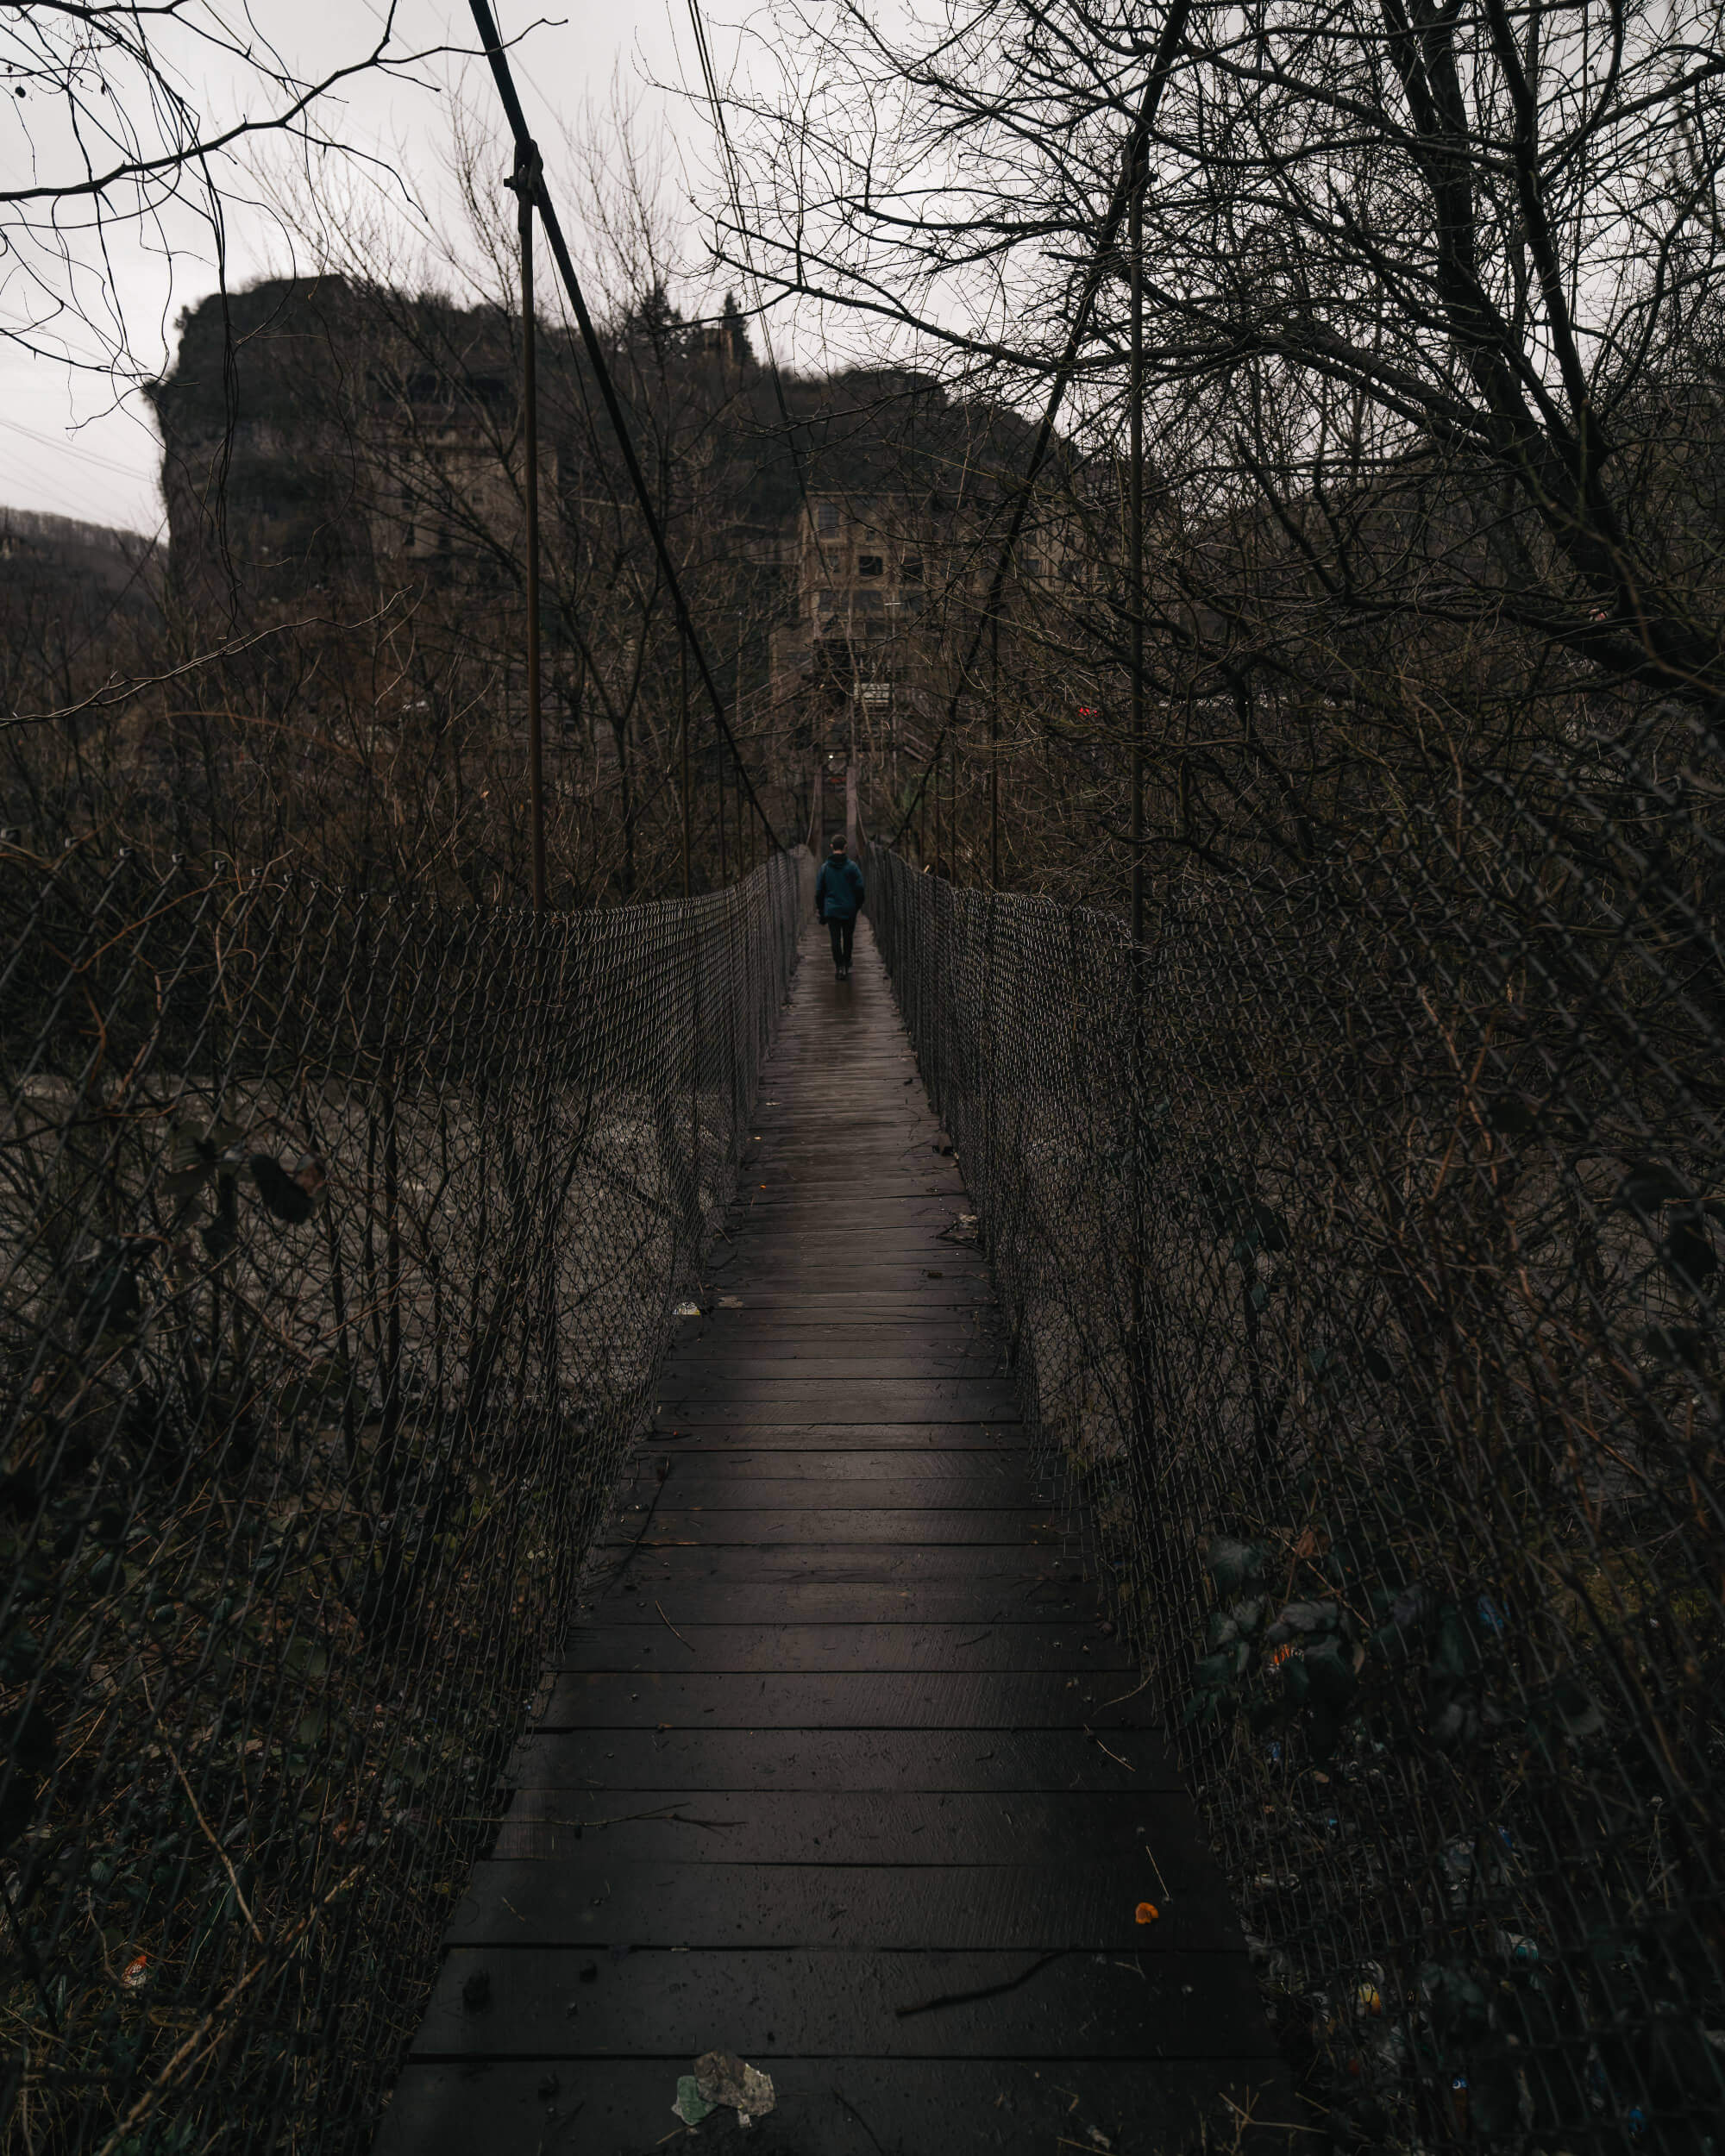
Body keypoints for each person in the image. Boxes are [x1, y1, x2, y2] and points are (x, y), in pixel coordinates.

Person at [815, 833, 865, 979]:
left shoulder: (824, 868)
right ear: (845, 847)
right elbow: (860, 889)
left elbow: (819, 892)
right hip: (849, 909)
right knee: (848, 938)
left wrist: (821, 910)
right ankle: (847, 961)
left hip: (832, 910)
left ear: (831, 847)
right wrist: (857, 906)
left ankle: (839, 967)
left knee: (835, 939)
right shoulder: (853, 867)